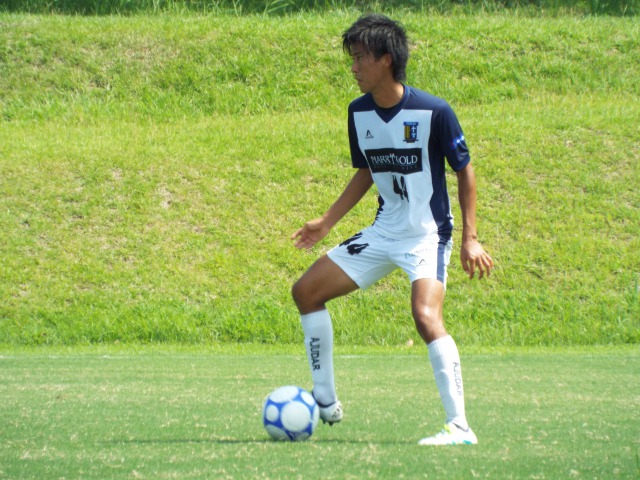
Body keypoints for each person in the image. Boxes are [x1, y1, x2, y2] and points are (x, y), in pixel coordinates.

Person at [290, 14, 494, 446]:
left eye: (360, 58)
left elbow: (465, 171)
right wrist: (327, 221)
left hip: (427, 236)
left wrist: (471, 238)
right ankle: (324, 399)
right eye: (352, 58)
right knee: (305, 291)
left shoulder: (434, 111)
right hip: (383, 233)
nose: (353, 67)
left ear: (386, 60)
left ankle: (460, 427)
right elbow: (367, 170)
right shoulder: (358, 112)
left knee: (425, 316)